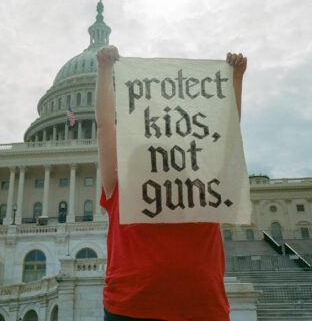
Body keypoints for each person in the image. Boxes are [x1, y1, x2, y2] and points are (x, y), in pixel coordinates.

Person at [95, 45, 247, 321]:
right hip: (134, 309)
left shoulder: (205, 189)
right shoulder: (121, 188)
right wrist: (104, 73)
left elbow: (228, 138)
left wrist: (234, 82)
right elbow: (106, 127)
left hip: (197, 310)